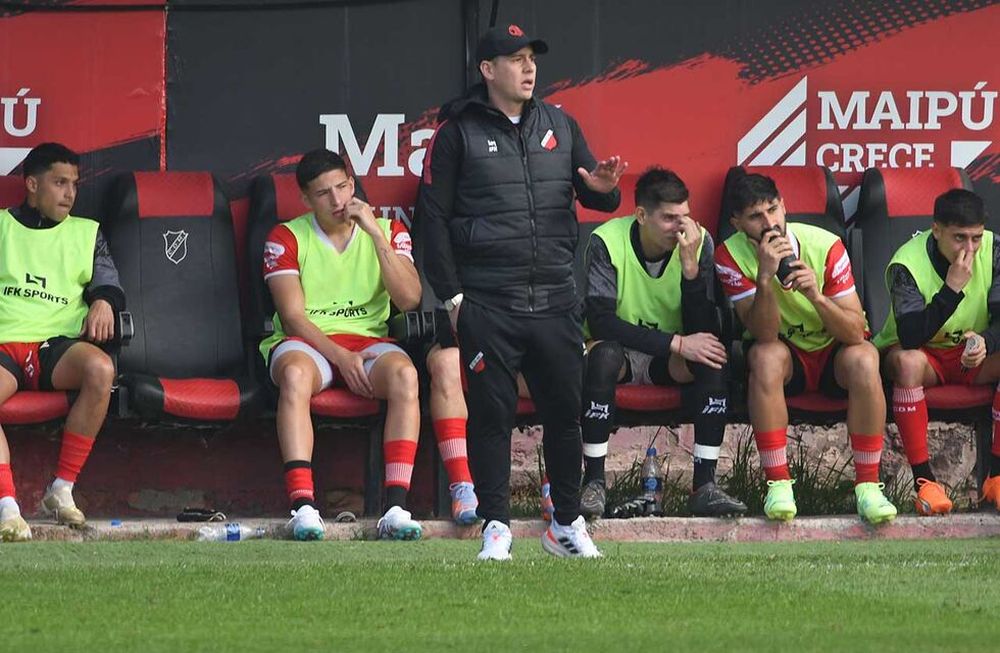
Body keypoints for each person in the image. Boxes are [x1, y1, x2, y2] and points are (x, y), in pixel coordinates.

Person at [418, 23, 627, 560]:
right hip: (489, 301)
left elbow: (597, 197)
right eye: (515, 59)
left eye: (532, 57)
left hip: (556, 299)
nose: (529, 68)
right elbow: (432, 221)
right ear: (488, 71)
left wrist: (605, 190)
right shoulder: (456, 131)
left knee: (564, 416)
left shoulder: (560, 123)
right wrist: (454, 299)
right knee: (492, 418)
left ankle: (565, 525)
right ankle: (496, 527)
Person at [261, 149, 478, 541]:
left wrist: (376, 235)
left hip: (370, 339)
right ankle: (303, 506)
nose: (338, 200)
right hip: (308, 342)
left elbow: (410, 298)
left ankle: (395, 506)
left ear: (353, 183)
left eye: (343, 187)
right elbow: (293, 317)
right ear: (307, 200)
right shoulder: (286, 236)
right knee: (293, 376)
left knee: (406, 377)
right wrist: (341, 359)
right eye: (324, 193)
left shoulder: (388, 230)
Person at [714, 172, 897, 524]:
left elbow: (856, 332)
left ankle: (868, 487)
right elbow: (765, 334)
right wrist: (766, 278)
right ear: (737, 223)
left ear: (784, 206)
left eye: (773, 210)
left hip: (833, 352)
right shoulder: (730, 255)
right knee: (764, 357)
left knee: (864, 358)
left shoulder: (825, 244)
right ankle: (779, 484)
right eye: (756, 216)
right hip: (786, 355)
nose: (770, 223)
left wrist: (815, 295)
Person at [581, 167, 747, 518]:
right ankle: (593, 483)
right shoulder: (606, 240)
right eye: (670, 218)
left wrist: (690, 273)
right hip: (621, 351)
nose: (681, 227)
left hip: (668, 361)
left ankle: (705, 486)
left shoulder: (698, 243)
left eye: (685, 216)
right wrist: (675, 343)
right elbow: (601, 321)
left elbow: (702, 327)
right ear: (641, 215)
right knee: (603, 356)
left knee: (713, 355)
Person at [0, 143, 123, 542]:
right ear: (32, 184)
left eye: (74, 184)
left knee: (101, 369)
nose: (69, 193)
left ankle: (61, 489)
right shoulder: (1, 226)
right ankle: (7, 506)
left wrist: (104, 301)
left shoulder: (86, 233)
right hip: (5, 343)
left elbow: (107, 281)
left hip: (56, 344)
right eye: (59, 183)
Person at [873, 188, 1000, 514]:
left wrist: (986, 340)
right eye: (959, 238)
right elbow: (912, 336)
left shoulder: (996, 250)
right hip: (924, 356)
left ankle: (996, 477)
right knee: (906, 362)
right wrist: (952, 289)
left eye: (976, 238)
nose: (969, 249)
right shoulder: (906, 262)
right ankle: (925, 482)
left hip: (973, 354)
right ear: (936, 230)